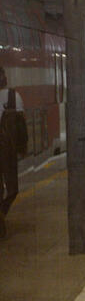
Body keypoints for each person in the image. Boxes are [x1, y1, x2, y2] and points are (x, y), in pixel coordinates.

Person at [0, 67, 21, 237]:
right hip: (7, 151)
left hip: (8, 150)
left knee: (13, 189)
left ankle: (1, 216)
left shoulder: (13, 97)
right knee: (6, 189)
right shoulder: (14, 96)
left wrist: (21, 147)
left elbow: (20, 126)